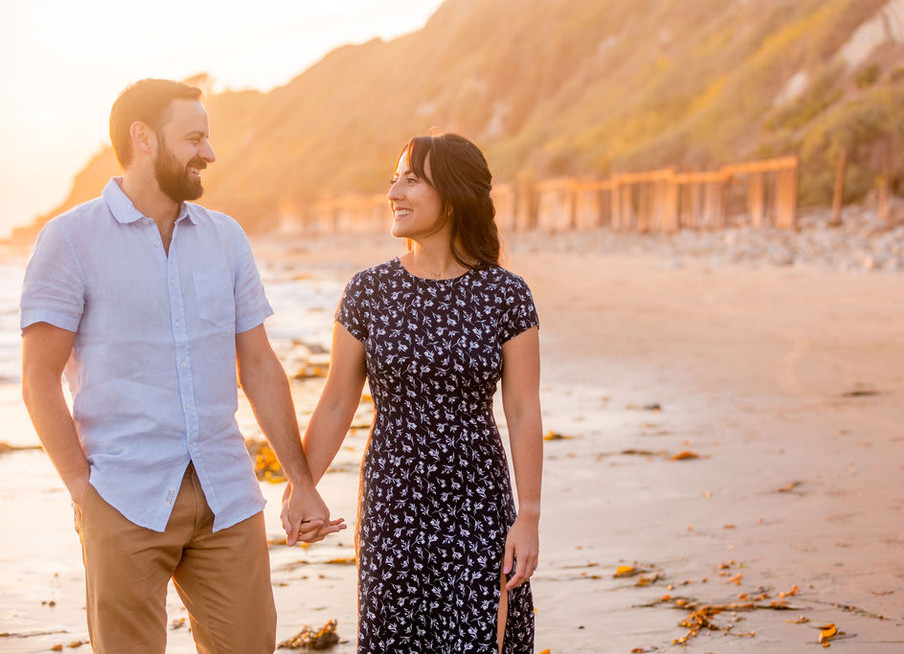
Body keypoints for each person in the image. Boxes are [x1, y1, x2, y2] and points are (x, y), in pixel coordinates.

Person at [20, 78, 344, 654]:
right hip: (122, 495)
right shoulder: (69, 239)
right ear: (143, 138)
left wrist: (300, 482)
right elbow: (38, 377)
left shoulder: (225, 238)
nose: (209, 154)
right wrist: (82, 493)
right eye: (194, 138)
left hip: (227, 494)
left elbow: (261, 365)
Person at [294, 132, 542, 653]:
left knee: (479, 639)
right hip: (394, 500)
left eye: (412, 179)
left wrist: (529, 517)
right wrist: (303, 487)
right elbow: (338, 401)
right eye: (394, 179)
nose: (394, 192)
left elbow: (522, 412)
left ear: (452, 195)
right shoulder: (369, 291)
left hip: (479, 501)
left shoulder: (506, 294)